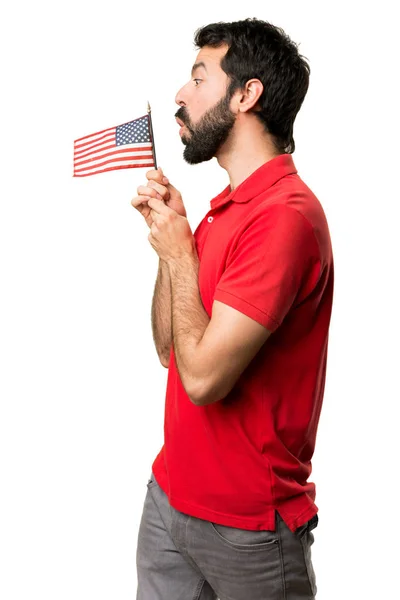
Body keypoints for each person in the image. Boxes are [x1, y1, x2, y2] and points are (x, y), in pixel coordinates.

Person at [131, 17, 333, 600]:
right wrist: (175, 248)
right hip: (169, 502)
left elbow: (203, 381)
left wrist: (180, 254)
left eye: (199, 77)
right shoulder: (225, 210)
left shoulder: (284, 219)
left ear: (247, 95)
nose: (179, 94)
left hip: (249, 533)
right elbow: (171, 352)